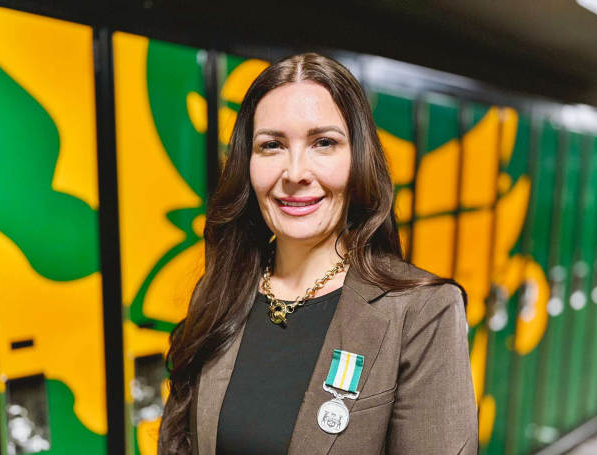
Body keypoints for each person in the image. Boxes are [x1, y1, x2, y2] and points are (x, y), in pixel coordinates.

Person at [157, 52, 477, 455]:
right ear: (247, 163)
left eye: (323, 143)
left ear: (358, 159)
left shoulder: (421, 312)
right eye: (271, 145)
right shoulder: (222, 292)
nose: (295, 173)